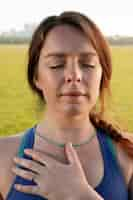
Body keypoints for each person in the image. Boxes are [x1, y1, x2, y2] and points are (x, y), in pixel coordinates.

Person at [0, 10, 133, 200]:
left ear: (102, 74)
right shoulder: (2, 156)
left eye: (87, 64)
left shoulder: (128, 153)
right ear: (36, 77)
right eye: (56, 65)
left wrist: (80, 195)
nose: (74, 75)